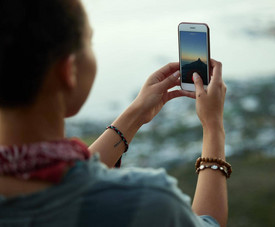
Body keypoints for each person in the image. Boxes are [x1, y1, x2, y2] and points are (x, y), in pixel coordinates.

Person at [0, 0, 228, 226]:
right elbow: (209, 223)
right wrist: (213, 126)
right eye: (90, 41)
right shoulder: (147, 202)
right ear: (69, 71)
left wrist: (137, 112)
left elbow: (64, 177)